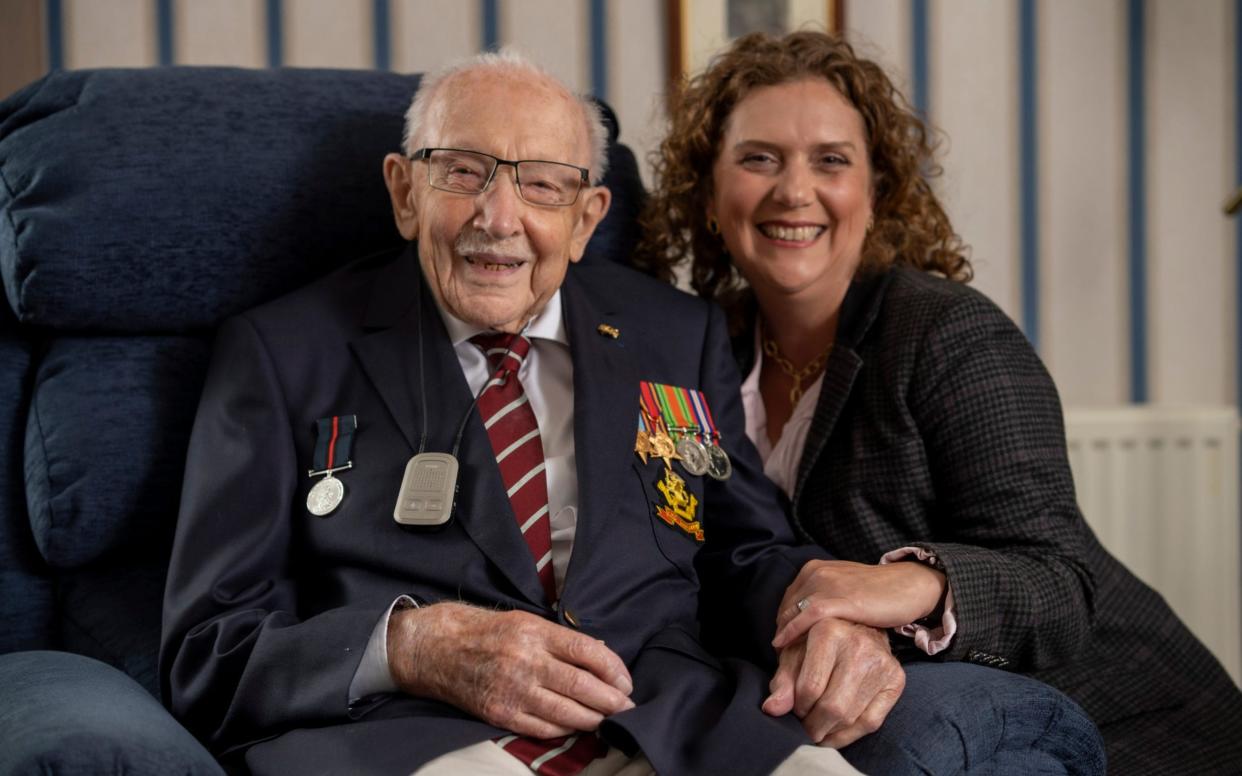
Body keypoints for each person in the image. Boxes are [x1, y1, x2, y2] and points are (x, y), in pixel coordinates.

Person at [160, 50, 1102, 776]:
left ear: (586, 213)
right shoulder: (282, 353)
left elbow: (741, 548)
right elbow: (207, 650)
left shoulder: (671, 334)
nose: (498, 216)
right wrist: (411, 645)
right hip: (412, 739)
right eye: (462, 172)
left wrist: (824, 616)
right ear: (405, 192)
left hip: (680, 722)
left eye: (540, 183)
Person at [636, 29, 1242, 774]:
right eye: (759, 158)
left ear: (878, 190)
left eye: (832, 160)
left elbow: (1061, 582)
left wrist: (913, 583)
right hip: (915, 731)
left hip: (1124, 726)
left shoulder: (950, 336)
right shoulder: (698, 351)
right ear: (707, 190)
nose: (794, 191)